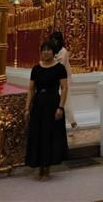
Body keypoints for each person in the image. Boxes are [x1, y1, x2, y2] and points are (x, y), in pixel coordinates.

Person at [25, 40, 69, 179]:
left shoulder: (59, 68)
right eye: (43, 50)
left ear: (54, 52)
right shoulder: (36, 69)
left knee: (50, 135)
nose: (46, 52)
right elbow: (31, 89)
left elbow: (64, 88)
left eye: (49, 50)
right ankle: (39, 166)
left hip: (53, 104)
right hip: (38, 105)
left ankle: (47, 167)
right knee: (38, 134)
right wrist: (27, 108)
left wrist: (60, 107)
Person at [51, 31, 78, 131]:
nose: (54, 42)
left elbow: (60, 65)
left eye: (55, 40)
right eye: (52, 40)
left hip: (64, 81)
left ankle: (73, 123)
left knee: (65, 102)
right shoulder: (54, 50)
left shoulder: (63, 51)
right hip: (56, 81)